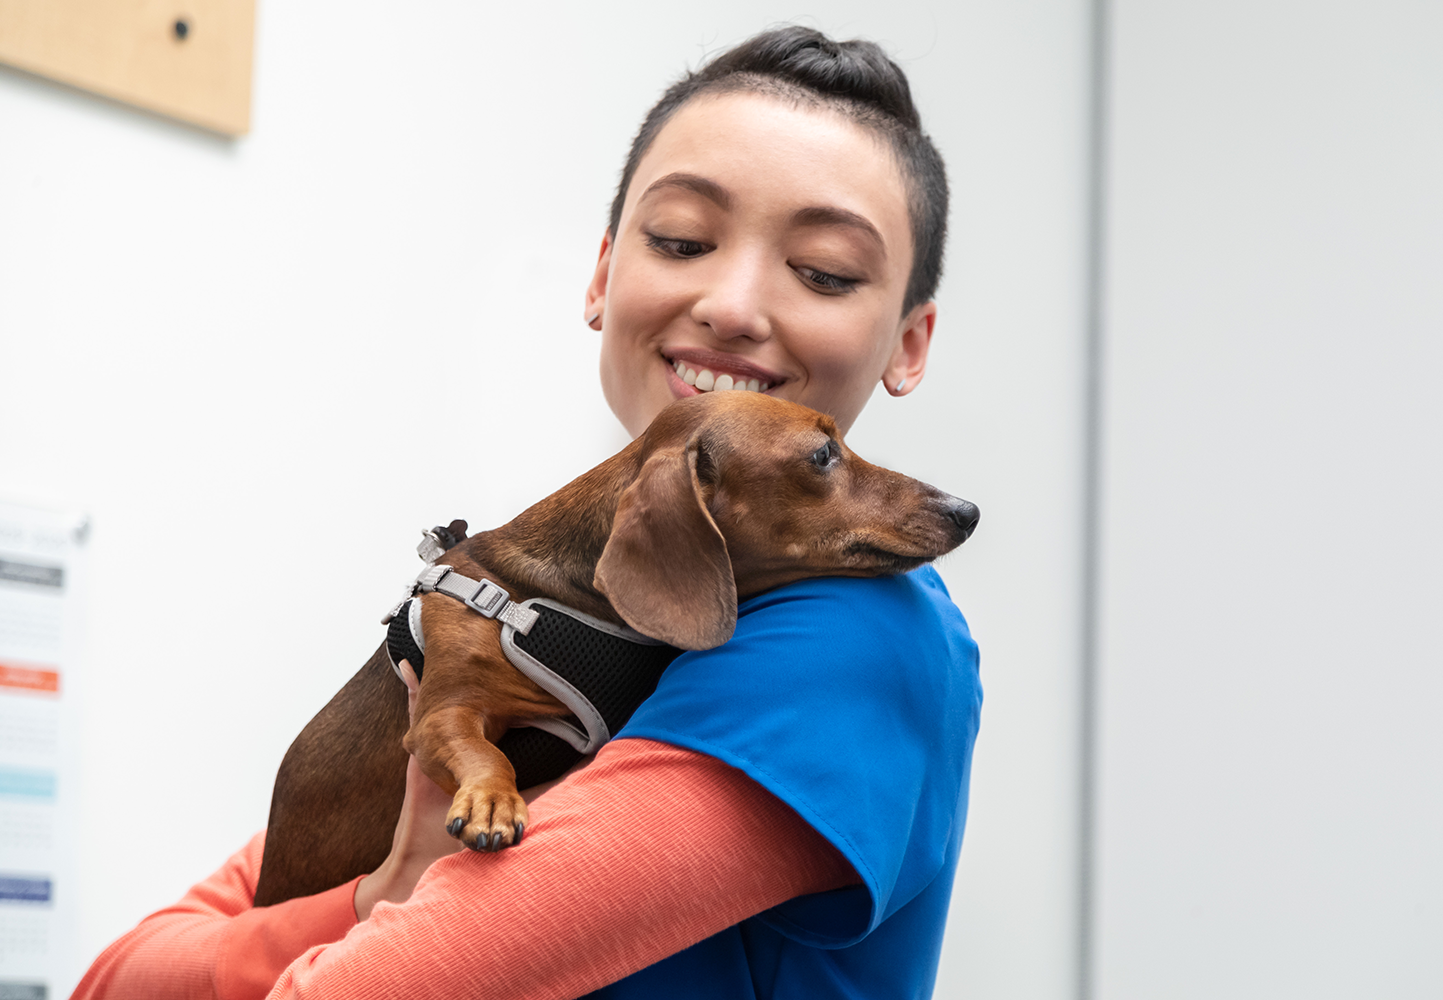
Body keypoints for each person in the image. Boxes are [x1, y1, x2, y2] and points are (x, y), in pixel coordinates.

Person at [72, 26, 981, 1000]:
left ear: (910, 342)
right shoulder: (568, 617)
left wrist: (368, 922)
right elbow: (114, 979)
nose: (733, 304)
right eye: (681, 239)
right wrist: (378, 895)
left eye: (825, 270)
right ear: (600, 276)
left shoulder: (855, 637)